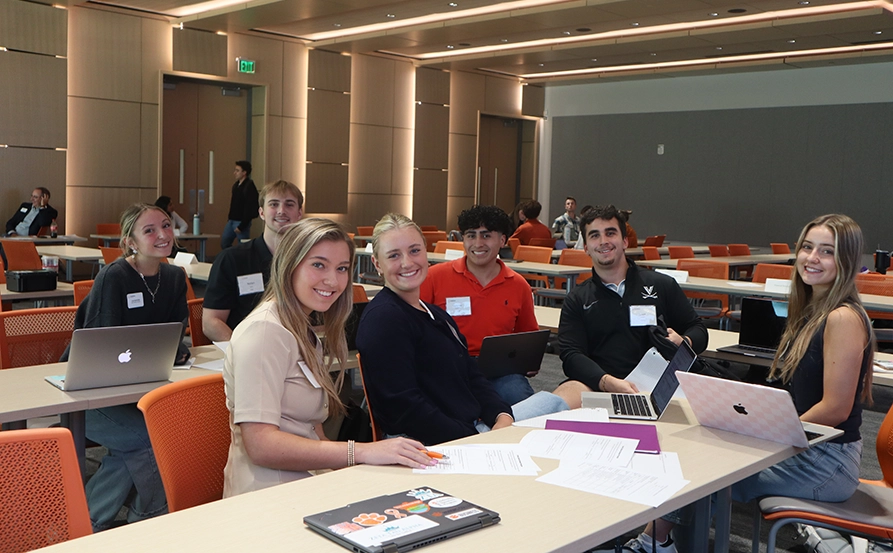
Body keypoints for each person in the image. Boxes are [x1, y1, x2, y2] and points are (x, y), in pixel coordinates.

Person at [622, 213, 876, 553]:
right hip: (808, 448)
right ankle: (659, 540)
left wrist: (769, 432)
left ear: (845, 260)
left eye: (827, 252)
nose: (812, 258)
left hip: (826, 462)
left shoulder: (842, 318)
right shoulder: (812, 311)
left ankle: (655, 543)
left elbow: (835, 408)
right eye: (807, 247)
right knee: (707, 450)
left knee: (708, 472)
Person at [223, 218, 435, 497]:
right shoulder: (265, 332)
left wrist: (357, 472)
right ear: (290, 265)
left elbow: (313, 433)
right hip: (268, 496)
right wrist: (361, 452)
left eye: (342, 268)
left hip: (309, 482)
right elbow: (261, 446)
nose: (333, 281)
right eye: (318, 265)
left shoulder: (302, 328)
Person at [357, 213, 584, 446]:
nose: (407, 262)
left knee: (574, 390)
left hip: (474, 427)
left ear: (426, 253)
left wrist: (501, 416)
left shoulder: (435, 314)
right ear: (377, 264)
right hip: (436, 442)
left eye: (415, 251)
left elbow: (471, 375)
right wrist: (474, 439)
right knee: (563, 406)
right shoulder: (384, 320)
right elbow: (404, 407)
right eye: (394, 255)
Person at [62, 203, 189, 532]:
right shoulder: (114, 276)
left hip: (137, 390)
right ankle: (149, 518)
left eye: (165, 226)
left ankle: (82, 525)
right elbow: (101, 350)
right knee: (147, 441)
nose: (162, 235)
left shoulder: (175, 277)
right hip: (85, 393)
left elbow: (174, 339)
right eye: (149, 230)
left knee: (138, 447)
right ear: (131, 241)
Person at [558, 204, 707, 394]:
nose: (603, 241)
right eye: (595, 235)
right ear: (586, 247)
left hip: (661, 388)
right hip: (601, 387)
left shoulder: (662, 285)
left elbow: (699, 329)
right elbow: (571, 356)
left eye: (610, 233)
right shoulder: (577, 299)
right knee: (560, 399)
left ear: (625, 241)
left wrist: (685, 341)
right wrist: (607, 382)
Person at [420, 205, 539, 404]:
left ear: (502, 240)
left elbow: (527, 338)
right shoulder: (434, 277)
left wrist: (528, 361)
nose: (477, 243)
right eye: (471, 235)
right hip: (447, 368)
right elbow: (415, 328)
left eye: (486, 236)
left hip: (499, 373)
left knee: (521, 401)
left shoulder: (519, 285)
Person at [203, 180, 303, 341]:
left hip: (296, 353)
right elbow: (211, 322)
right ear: (261, 213)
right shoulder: (232, 259)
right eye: (274, 204)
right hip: (245, 349)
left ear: (299, 213)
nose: (281, 211)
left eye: (289, 204)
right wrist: (243, 351)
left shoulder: (309, 260)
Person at [221, 160, 259, 249]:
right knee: (224, 243)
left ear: (244, 173)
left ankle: (240, 262)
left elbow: (250, 208)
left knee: (243, 247)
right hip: (231, 220)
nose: (235, 173)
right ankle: (231, 259)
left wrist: (242, 225)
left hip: (241, 221)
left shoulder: (249, 186)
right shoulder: (236, 185)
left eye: (237, 171)